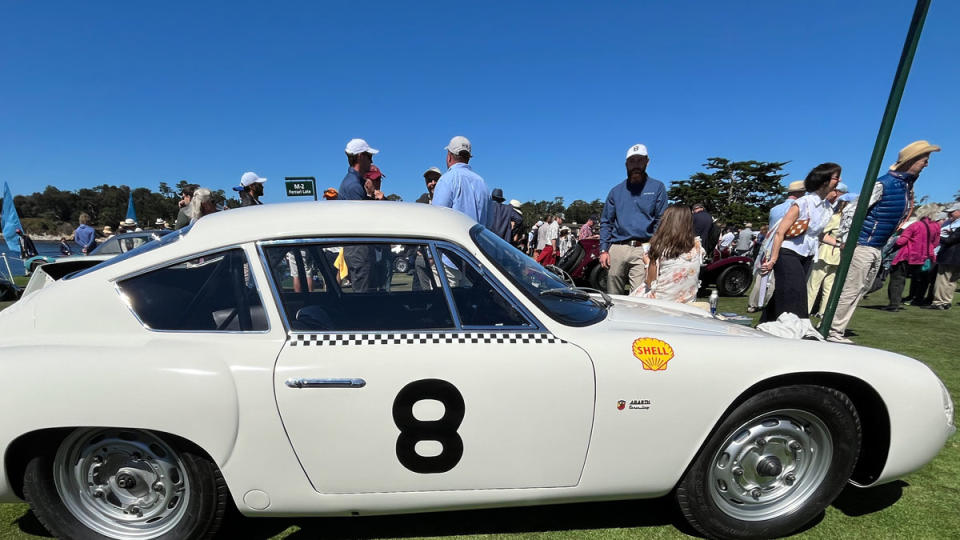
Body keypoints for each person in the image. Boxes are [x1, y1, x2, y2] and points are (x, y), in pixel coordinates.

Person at [827, 140, 940, 343]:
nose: (926, 165)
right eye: (924, 160)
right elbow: (853, 210)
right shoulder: (885, 183)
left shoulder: (904, 186)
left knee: (863, 287)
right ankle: (833, 329)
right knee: (851, 287)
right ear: (912, 160)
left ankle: (836, 328)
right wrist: (846, 240)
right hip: (863, 244)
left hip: (875, 246)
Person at [759, 163, 841, 322]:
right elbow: (780, 232)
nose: (839, 181)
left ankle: (765, 323)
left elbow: (818, 235)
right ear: (824, 180)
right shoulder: (803, 203)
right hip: (788, 253)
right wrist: (773, 260)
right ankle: (797, 326)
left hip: (808, 254)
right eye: (836, 177)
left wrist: (839, 244)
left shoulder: (827, 208)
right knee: (796, 292)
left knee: (784, 291)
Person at [599, 143, 668, 295]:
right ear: (626, 164)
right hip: (617, 247)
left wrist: (654, 248)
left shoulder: (657, 188)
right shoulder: (616, 192)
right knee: (613, 296)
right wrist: (604, 249)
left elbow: (661, 221)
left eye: (640, 160)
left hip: (643, 248)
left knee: (640, 294)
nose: (636, 165)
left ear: (647, 162)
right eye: (632, 161)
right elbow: (606, 222)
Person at [746, 180, 805, 313]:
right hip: (783, 245)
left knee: (762, 275)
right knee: (776, 278)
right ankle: (769, 303)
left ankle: (753, 303)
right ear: (800, 193)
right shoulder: (797, 208)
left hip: (769, 244)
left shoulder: (775, 209)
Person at [631, 205, 705, 304]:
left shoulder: (660, 248)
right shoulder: (697, 246)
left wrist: (647, 262)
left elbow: (650, 283)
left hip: (661, 302)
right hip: (687, 302)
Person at [884, 207, 939, 311]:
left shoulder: (915, 225)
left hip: (907, 255)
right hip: (923, 257)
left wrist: (892, 242)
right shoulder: (936, 227)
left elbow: (901, 241)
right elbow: (935, 243)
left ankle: (894, 304)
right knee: (920, 280)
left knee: (897, 279)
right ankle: (916, 299)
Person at [806, 186, 850, 318]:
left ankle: (806, 310)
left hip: (826, 253)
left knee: (813, 284)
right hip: (838, 255)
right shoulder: (851, 221)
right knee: (829, 286)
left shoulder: (836, 217)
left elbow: (822, 232)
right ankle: (823, 311)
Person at [432, 136, 492, 226]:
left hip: (453, 239)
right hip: (476, 240)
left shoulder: (447, 179)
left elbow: (436, 219)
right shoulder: (483, 183)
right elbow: (489, 224)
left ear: (449, 156)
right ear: (468, 158)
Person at [929, 217, 960, 310]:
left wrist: (938, 236)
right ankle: (946, 301)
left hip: (950, 258)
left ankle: (938, 302)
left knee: (942, 280)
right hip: (956, 260)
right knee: (952, 281)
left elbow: (949, 241)